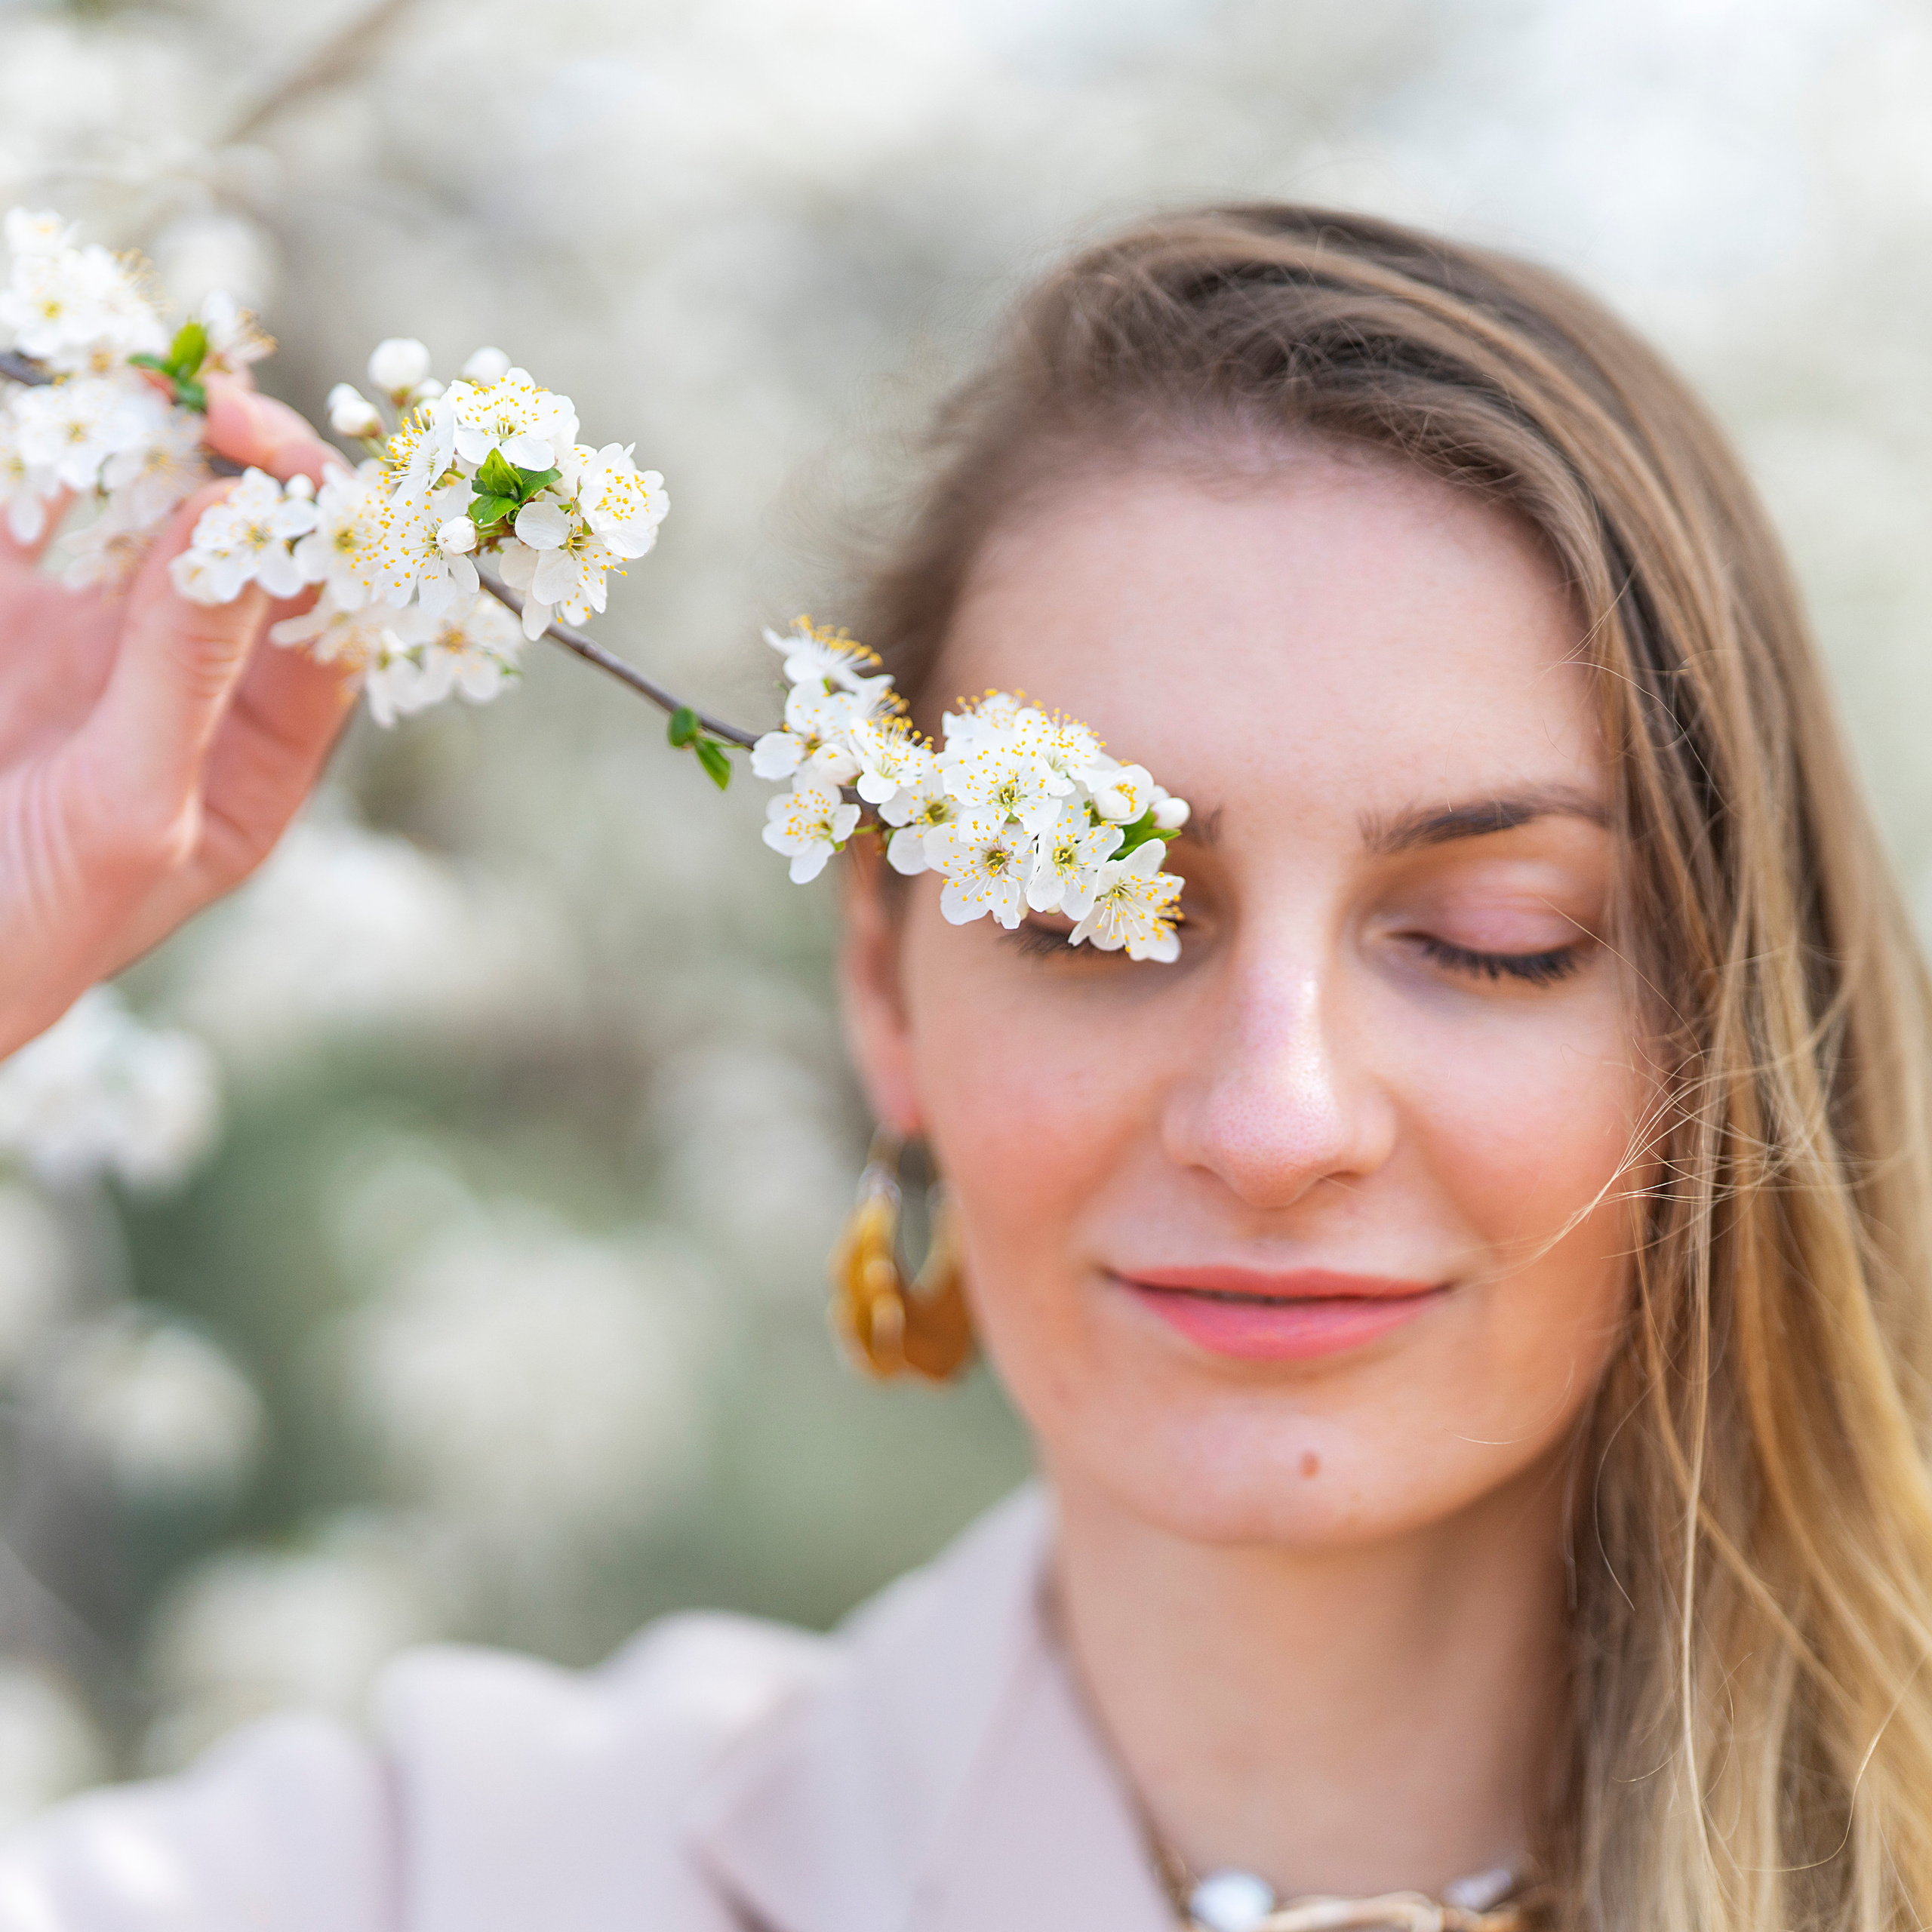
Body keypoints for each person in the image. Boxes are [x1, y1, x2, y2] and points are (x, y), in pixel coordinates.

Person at [2, 201, 1929, 1932]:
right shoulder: (446, 1875)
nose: (1276, 1118)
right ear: (884, 991)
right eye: (1093, 926)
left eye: (1491, 939)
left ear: (1724, 1024)